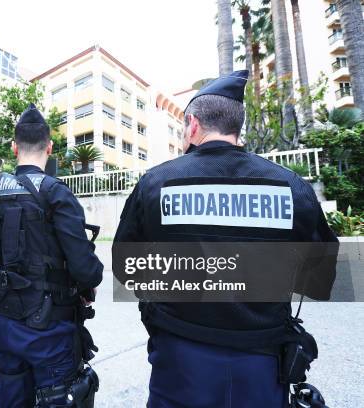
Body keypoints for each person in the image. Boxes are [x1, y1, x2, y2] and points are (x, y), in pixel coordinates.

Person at [113, 71, 338, 407]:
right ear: (237, 128)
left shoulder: (157, 183)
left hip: (179, 360)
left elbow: (126, 266)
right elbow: (320, 278)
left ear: (191, 125)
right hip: (261, 363)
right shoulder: (291, 187)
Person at [0, 104, 104, 408]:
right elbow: (86, 270)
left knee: (9, 398)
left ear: (13, 147)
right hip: (49, 329)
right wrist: (88, 284)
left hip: (3, 324)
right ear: (50, 146)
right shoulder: (56, 192)